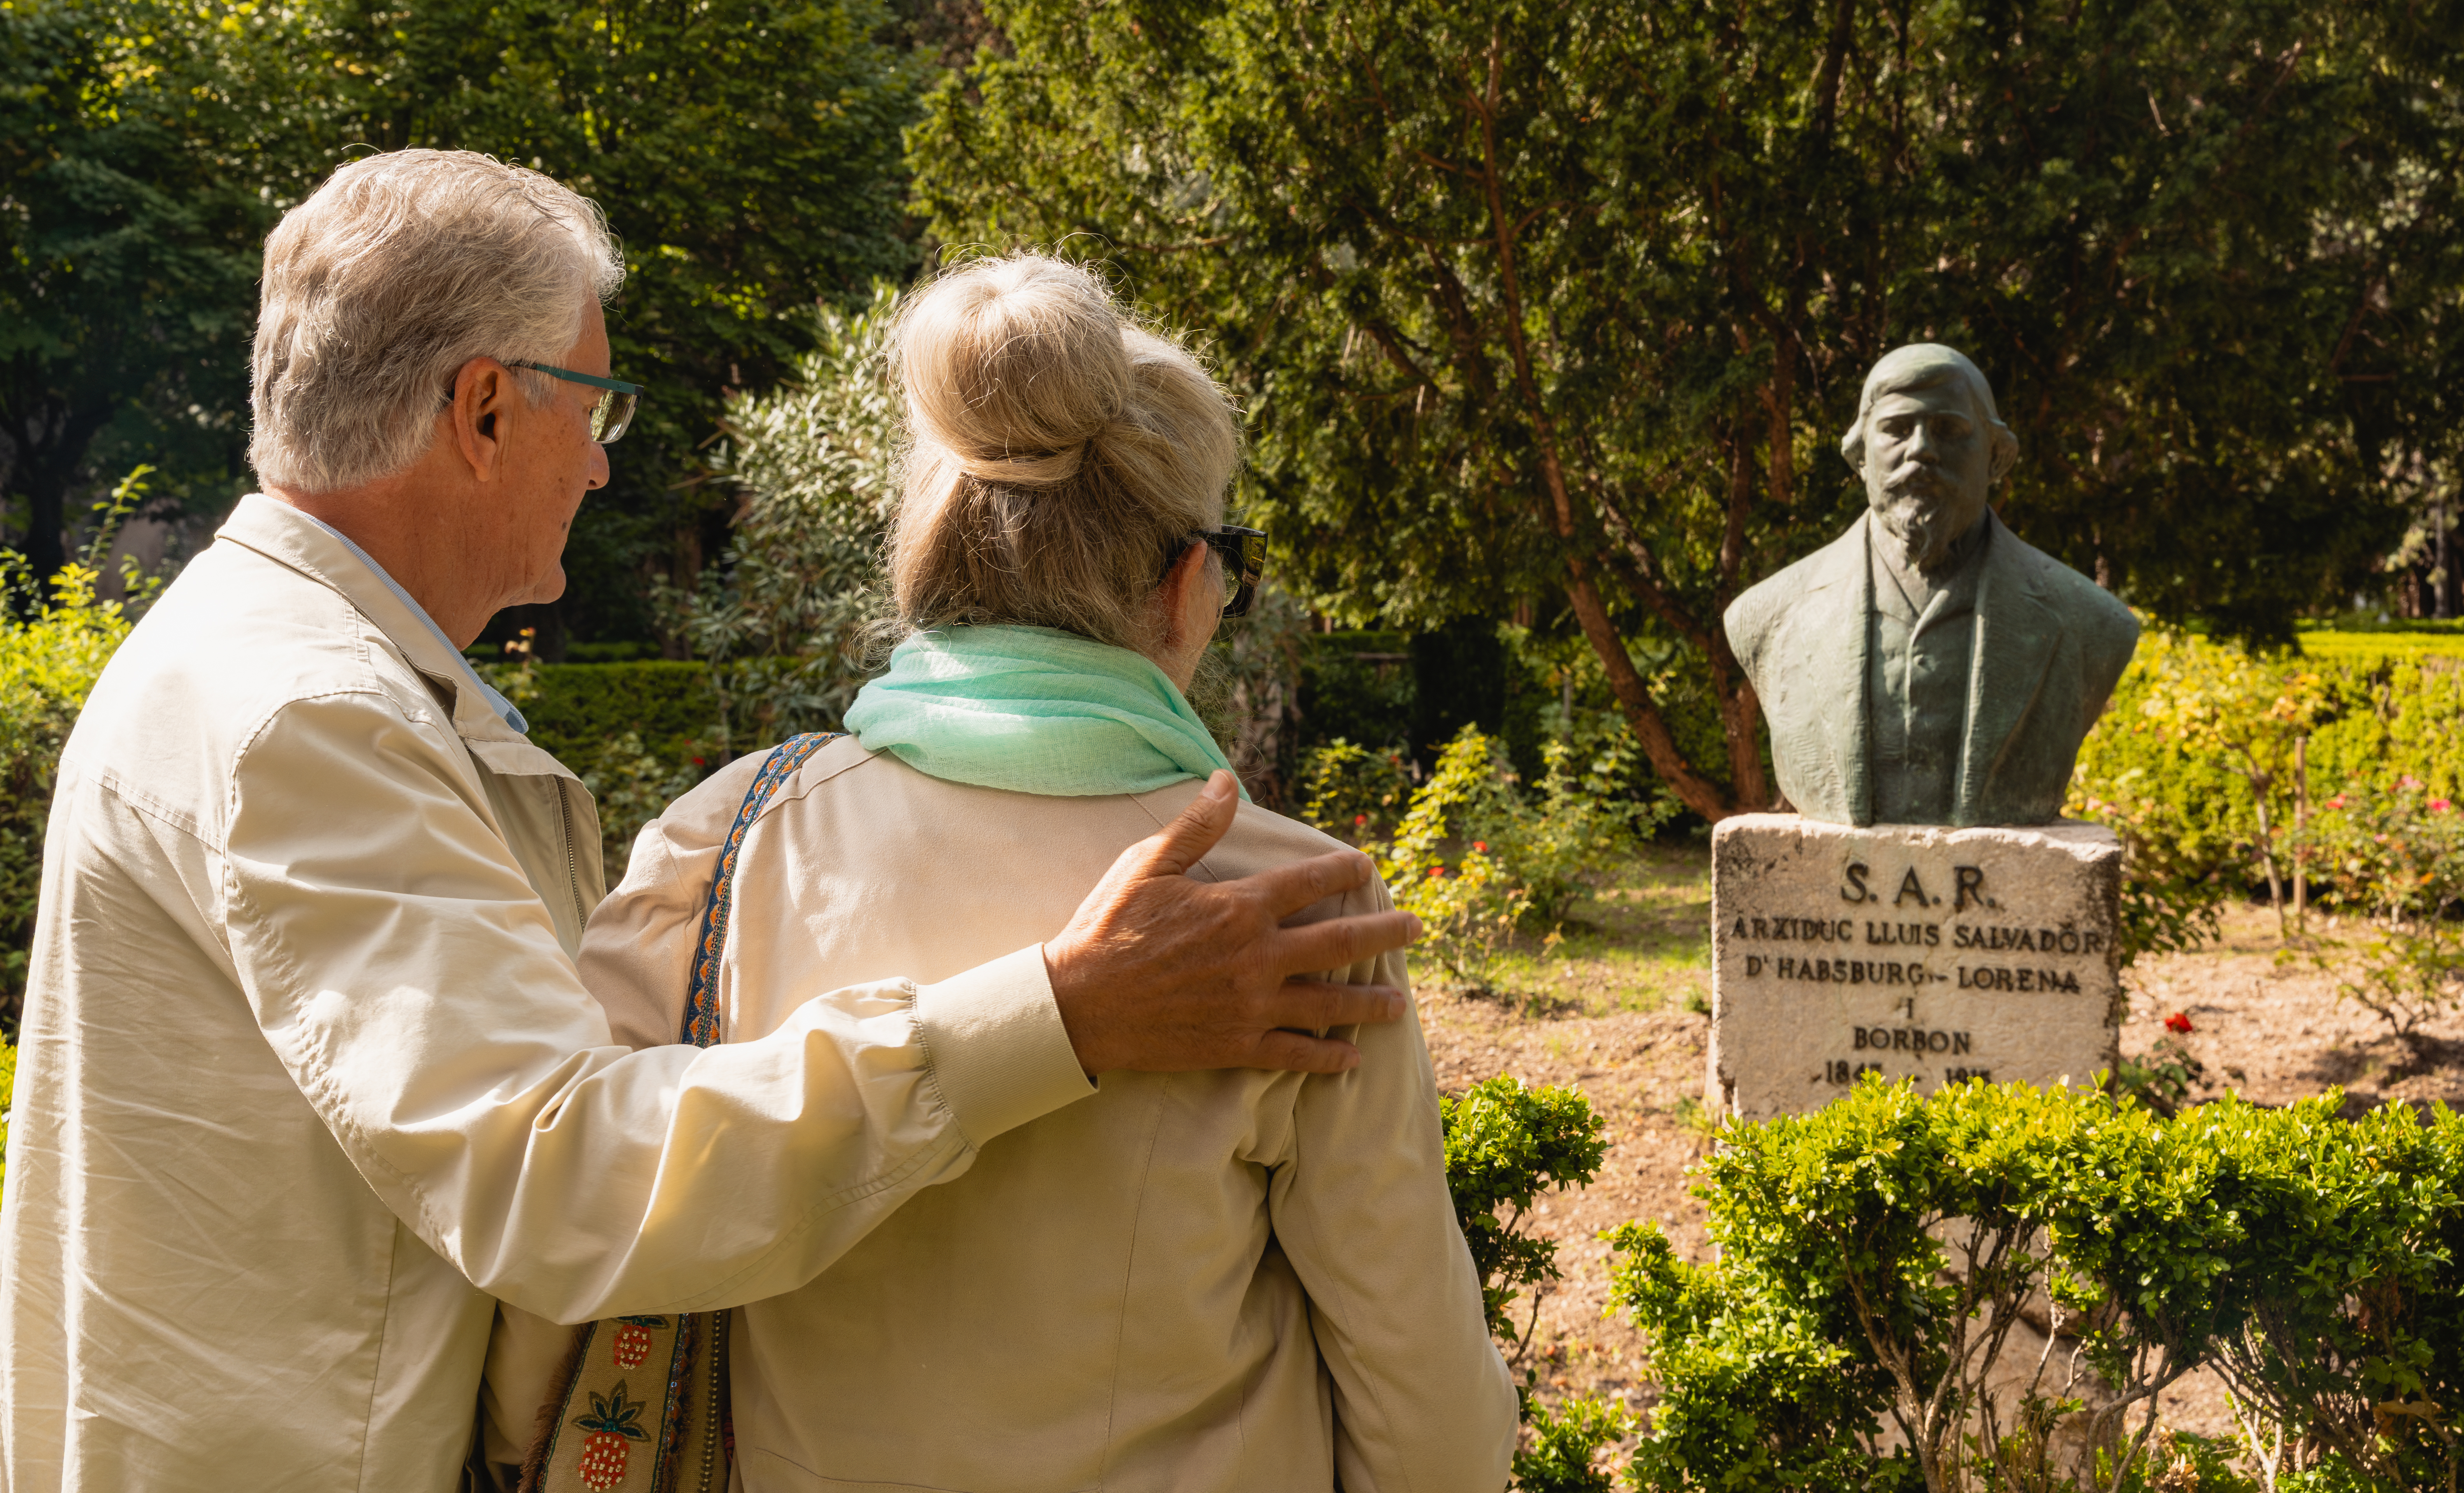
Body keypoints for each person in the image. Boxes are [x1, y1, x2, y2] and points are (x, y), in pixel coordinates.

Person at [0, 151, 1417, 1491]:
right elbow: (559, 1175)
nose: (607, 465)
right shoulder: (305, 714)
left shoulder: (285, 669)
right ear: (486, 409)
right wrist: (1062, 1013)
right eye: (593, 408)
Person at [576, 255, 1517, 1492]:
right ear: (1185, 585)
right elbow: (1426, 1408)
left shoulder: (730, 841)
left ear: (927, 562)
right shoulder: (1295, 903)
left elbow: (573, 1219)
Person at [1723, 342, 2140, 826]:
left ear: (1997, 458)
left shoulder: (2090, 620)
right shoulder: (1768, 614)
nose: (1921, 449)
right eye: (1897, 430)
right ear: (1861, 457)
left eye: (1949, 429)